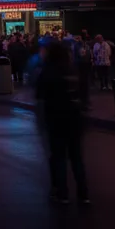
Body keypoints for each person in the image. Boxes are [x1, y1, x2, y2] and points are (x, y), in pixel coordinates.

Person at [37, 41, 88, 204]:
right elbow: (83, 94)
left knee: (58, 157)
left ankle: (62, 192)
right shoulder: (73, 70)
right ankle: (83, 193)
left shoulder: (48, 71)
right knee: (76, 157)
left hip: (56, 118)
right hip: (74, 118)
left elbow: (40, 95)